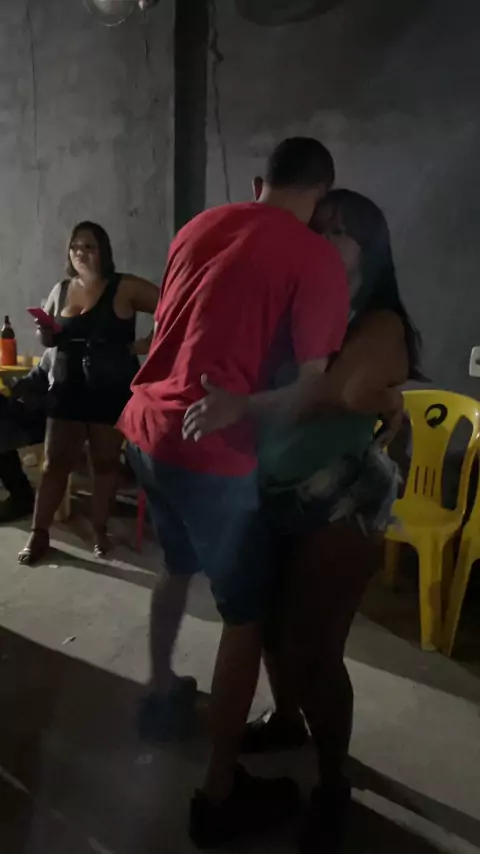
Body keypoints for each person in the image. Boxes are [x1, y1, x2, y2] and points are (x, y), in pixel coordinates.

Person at [118, 138, 350, 847]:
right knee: (246, 618)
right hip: (212, 451)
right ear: (322, 193)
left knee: (175, 567)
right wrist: (244, 406)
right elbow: (309, 389)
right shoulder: (315, 258)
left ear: (259, 182)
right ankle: (219, 793)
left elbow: (179, 328)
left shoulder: (199, 225)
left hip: (146, 429)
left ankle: (162, 690)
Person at [184, 189, 421, 853]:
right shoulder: (296, 300)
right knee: (269, 631)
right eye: (316, 228)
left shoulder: (380, 320)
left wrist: (244, 404)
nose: (320, 240)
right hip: (274, 490)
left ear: (370, 251)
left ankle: (334, 783)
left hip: (341, 499)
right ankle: (288, 720)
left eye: (338, 232)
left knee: (313, 652)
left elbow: (333, 392)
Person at [18, 222, 159, 565]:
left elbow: (173, 305)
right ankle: (39, 533)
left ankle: (99, 530)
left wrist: (144, 345)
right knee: (55, 463)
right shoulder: (62, 289)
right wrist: (45, 333)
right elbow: (50, 340)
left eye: (88, 246)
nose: (80, 252)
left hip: (110, 388)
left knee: (105, 463)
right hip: (67, 387)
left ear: (103, 251)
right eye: (75, 246)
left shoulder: (124, 286)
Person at [0, 353, 53, 522]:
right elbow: (38, 374)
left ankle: (21, 497)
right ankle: (21, 495)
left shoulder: (77, 351)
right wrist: (18, 389)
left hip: (55, 417)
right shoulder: (57, 350)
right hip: (34, 408)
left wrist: (29, 401)